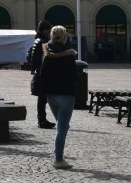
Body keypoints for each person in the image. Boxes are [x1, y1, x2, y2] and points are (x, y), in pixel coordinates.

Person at [39, 25, 78, 170]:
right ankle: (58, 158)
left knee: (62, 126)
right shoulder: (68, 54)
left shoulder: (47, 52)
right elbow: (74, 76)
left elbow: (42, 74)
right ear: (64, 37)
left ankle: (59, 155)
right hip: (66, 95)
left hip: (51, 95)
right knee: (62, 128)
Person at [30, 20, 56, 129]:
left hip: (38, 72)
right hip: (42, 73)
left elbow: (31, 58)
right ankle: (42, 120)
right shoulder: (43, 42)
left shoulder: (37, 41)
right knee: (43, 98)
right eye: (49, 30)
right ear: (45, 31)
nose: (50, 32)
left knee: (42, 98)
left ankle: (42, 119)